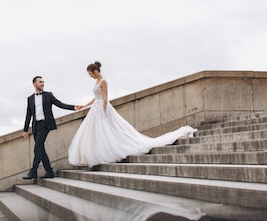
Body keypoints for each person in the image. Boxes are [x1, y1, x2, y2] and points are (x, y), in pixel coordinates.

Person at [68, 61, 197, 167]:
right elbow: (96, 97)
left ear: (95, 71)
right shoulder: (96, 82)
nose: (90, 76)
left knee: (106, 131)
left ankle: (107, 154)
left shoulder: (103, 82)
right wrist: (84, 105)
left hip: (102, 108)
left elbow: (105, 97)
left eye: (90, 73)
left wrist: (103, 110)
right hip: (96, 108)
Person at [23, 76, 80, 179]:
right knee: (41, 149)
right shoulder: (30, 98)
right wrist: (25, 129)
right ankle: (49, 171)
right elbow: (28, 114)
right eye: (40, 82)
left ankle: (33, 171)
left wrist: (73, 107)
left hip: (45, 125)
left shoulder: (48, 95)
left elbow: (59, 104)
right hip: (36, 126)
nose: (42, 84)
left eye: (43, 82)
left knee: (37, 148)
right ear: (34, 84)